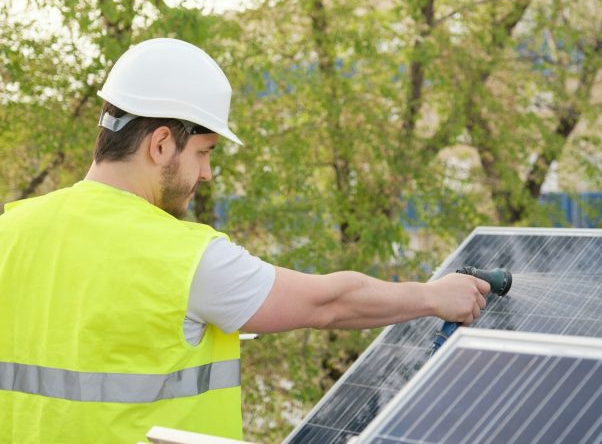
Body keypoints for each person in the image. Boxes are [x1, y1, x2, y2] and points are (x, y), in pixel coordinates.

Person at [0, 38, 489, 443]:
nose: (207, 173)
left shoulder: (11, 231)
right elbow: (329, 304)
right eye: (205, 152)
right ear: (162, 143)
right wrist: (433, 296)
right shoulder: (184, 258)